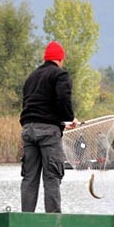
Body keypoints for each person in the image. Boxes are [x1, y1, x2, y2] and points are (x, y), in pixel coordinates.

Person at [20, 41, 78, 213]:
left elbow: (32, 104)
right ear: (60, 59)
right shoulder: (60, 75)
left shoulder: (32, 77)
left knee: (29, 177)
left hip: (28, 129)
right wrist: (68, 118)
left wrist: (60, 122)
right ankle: (52, 220)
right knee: (52, 176)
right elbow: (63, 99)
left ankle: (25, 218)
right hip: (48, 133)